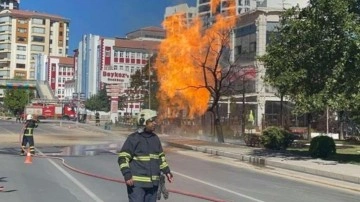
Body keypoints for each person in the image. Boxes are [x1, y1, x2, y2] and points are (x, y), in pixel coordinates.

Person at [118, 109, 173, 202]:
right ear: (144, 122)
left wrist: (167, 171)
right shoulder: (133, 139)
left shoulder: (155, 139)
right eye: (152, 121)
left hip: (153, 185)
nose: (155, 123)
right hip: (137, 185)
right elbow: (123, 158)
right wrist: (127, 175)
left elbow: (161, 158)